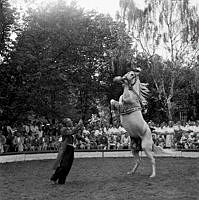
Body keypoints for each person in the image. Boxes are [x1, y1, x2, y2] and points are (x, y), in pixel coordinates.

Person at [50, 118, 86, 184]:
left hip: (71, 148)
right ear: (66, 123)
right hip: (66, 148)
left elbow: (77, 136)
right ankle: (54, 178)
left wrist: (85, 140)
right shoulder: (63, 129)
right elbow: (71, 132)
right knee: (64, 165)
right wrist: (78, 125)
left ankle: (61, 180)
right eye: (70, 121)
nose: (71, 122)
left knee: (68, 166)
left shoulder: (72, 129)